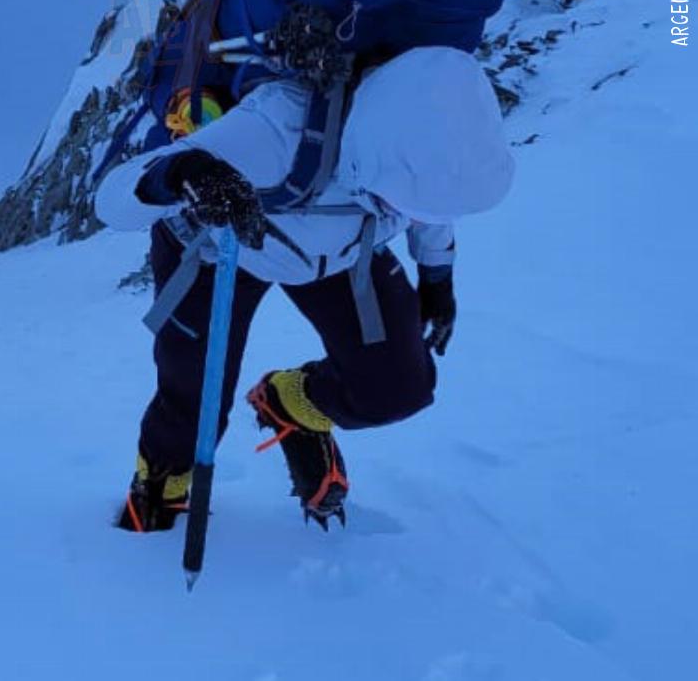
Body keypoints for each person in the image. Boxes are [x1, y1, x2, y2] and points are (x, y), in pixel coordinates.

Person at [95, 46, 514, 533]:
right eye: (409, 206)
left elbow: (436, 207)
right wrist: (182, 174)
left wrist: (437, 276)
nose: (418, 219)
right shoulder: (277, 128)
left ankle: (291, 403)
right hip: (217, 245)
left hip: (341, 254)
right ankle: (162, 483)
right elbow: (113, 198)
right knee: (193, 400)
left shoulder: (427, 143)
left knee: (397, 387)